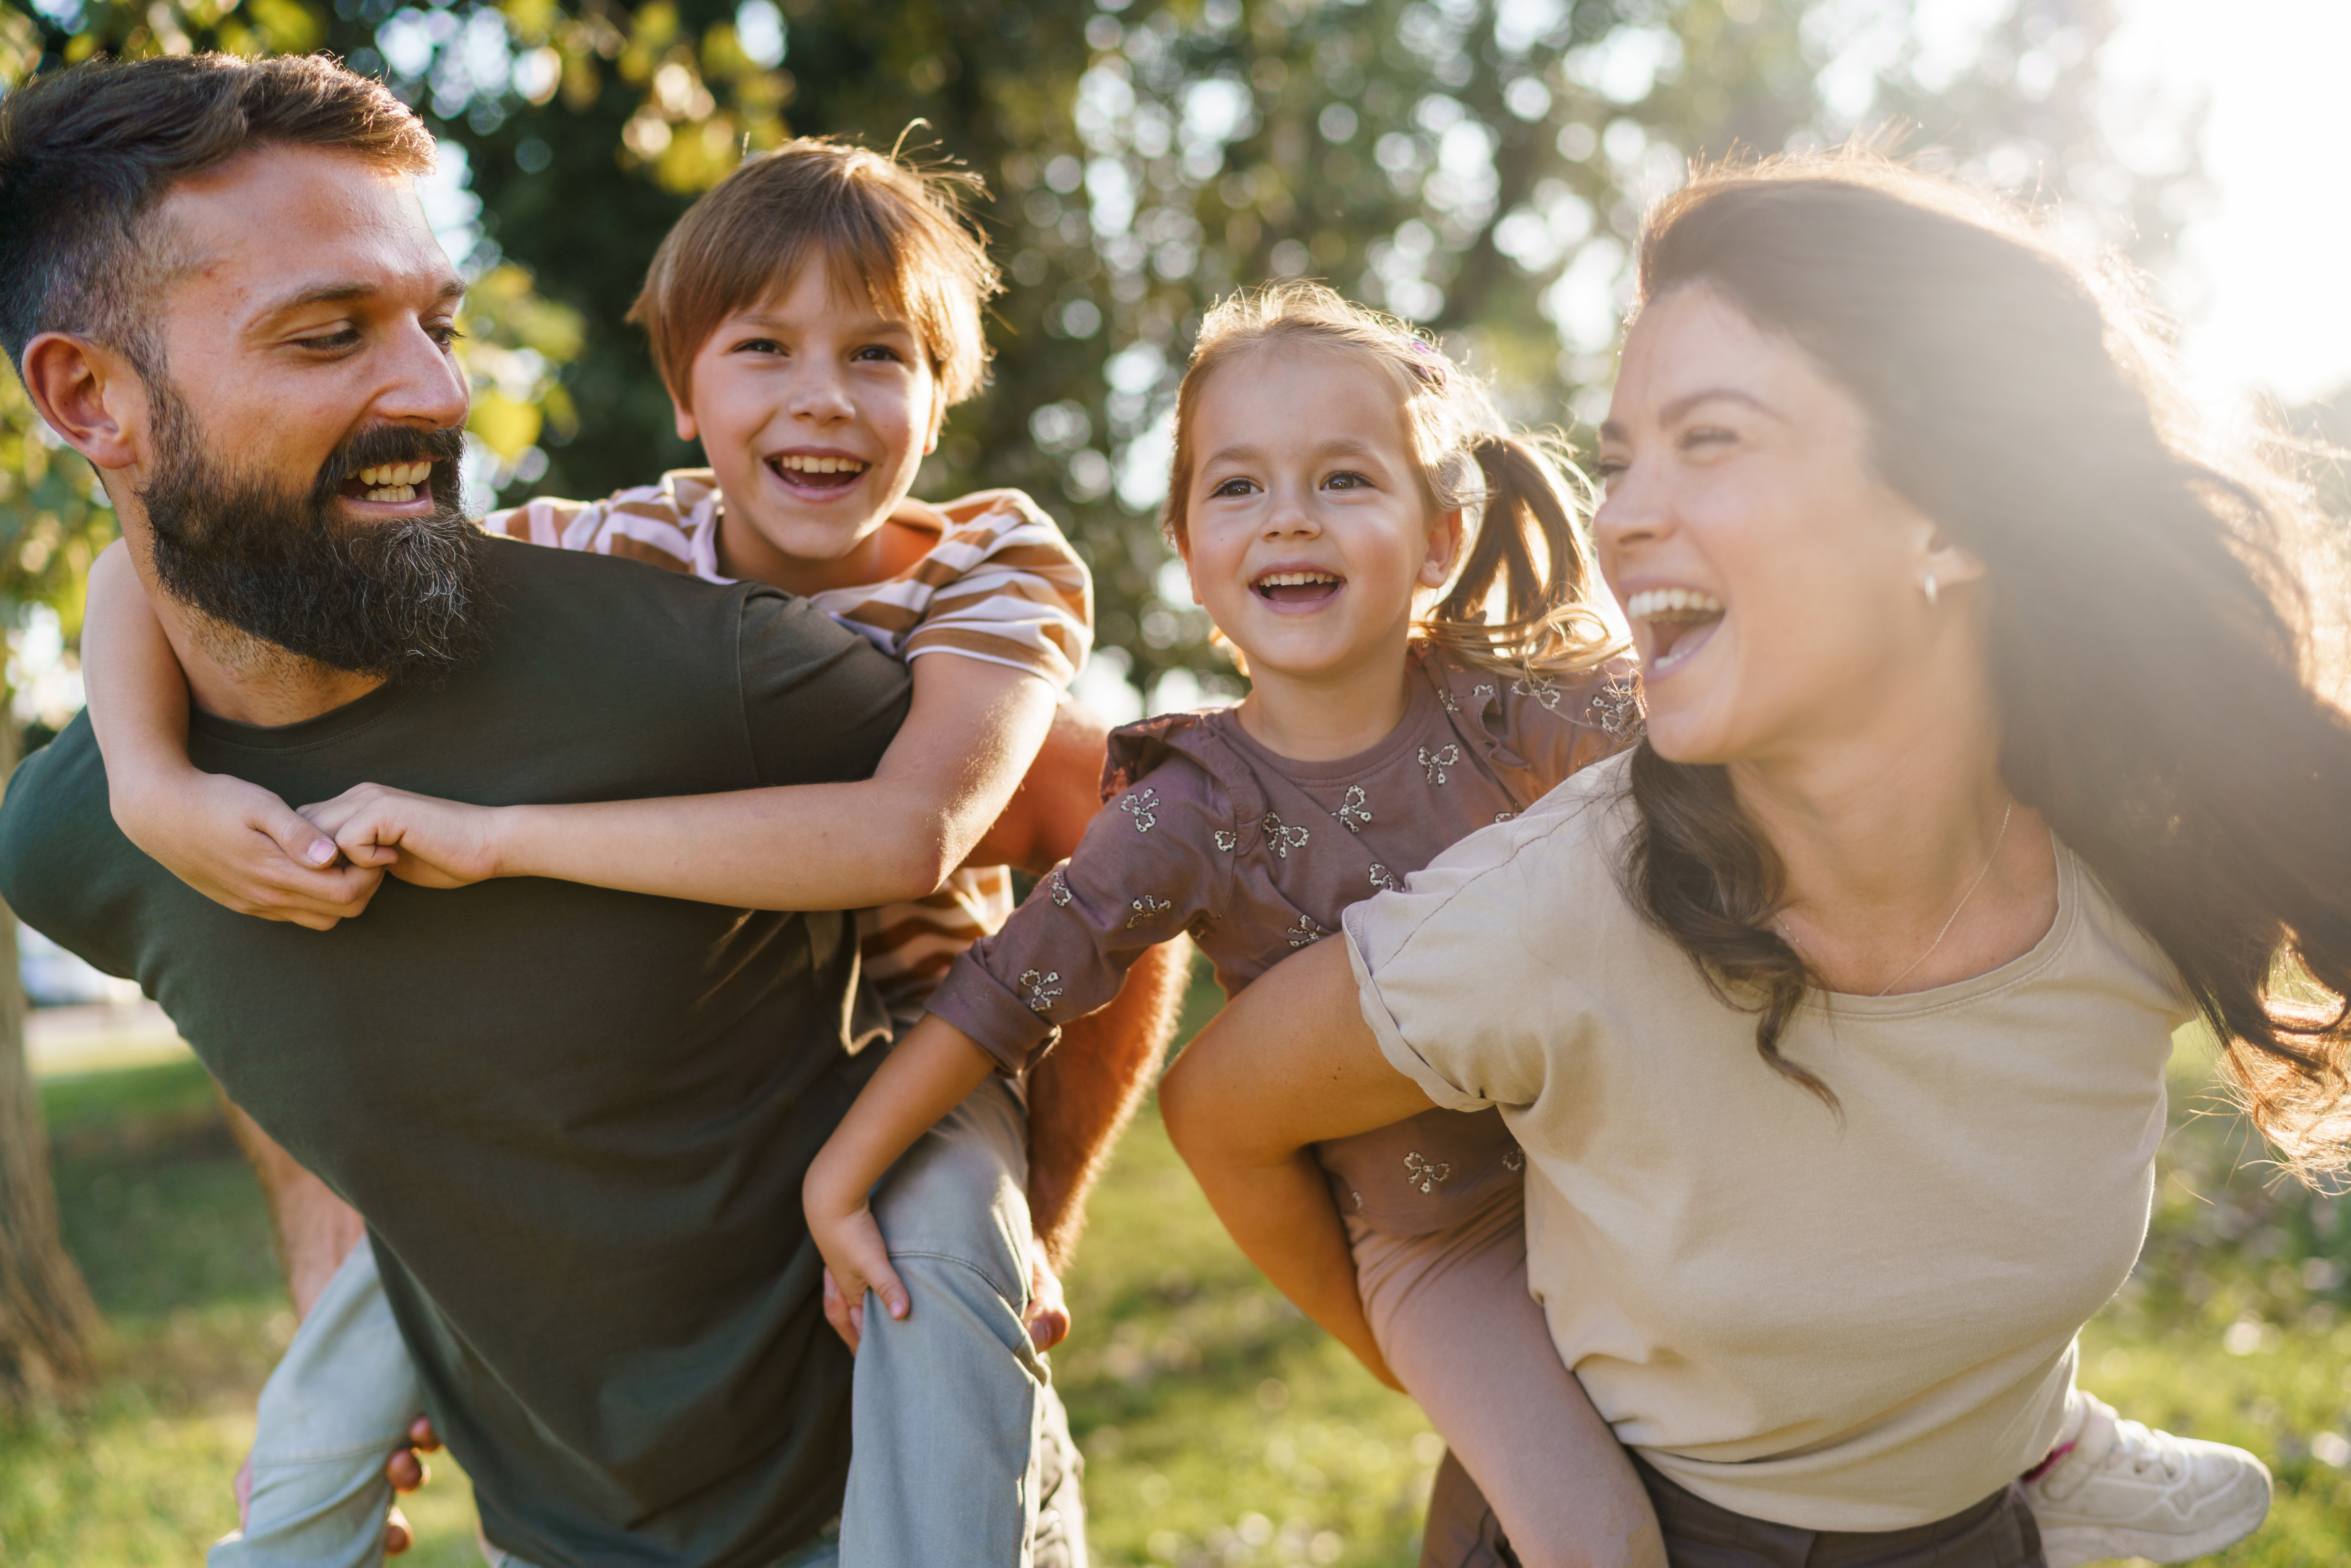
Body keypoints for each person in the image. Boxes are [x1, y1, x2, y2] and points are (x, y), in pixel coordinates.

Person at [0, 53, 1159, 1568]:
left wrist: (1035, 1212)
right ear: (89, 399)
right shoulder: (625, 549)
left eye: (439, 325)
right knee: (311, 1432)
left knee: (936, 1268)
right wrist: (160, 796)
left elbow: (1081, 822)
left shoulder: (798, 630)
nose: (434, 390)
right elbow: (223, 930)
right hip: (545, 1529)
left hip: (913, 1110)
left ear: (949, 387)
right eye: (329, 332)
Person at [1157, 155, 2334, 1568]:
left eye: (1705, 440)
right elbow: (1222, 1114)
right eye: (1617, 458)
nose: (1621, 513)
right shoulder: (1548, 912)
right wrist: (1483, 1406)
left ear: (1952, 510)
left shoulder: (2142, 850)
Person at [804, 281, 1669, 1568]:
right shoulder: (1183, 816)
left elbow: (1713, 743)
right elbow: (1004, 992)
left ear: (1438, 539)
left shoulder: (1509, 710)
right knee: (1593, 1543)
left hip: (1616, 1183)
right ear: (1188, 545)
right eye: (1239, 488)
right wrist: (840, 1174)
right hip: (1444, 1250)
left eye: (1341, 480)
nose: (1288, 521)